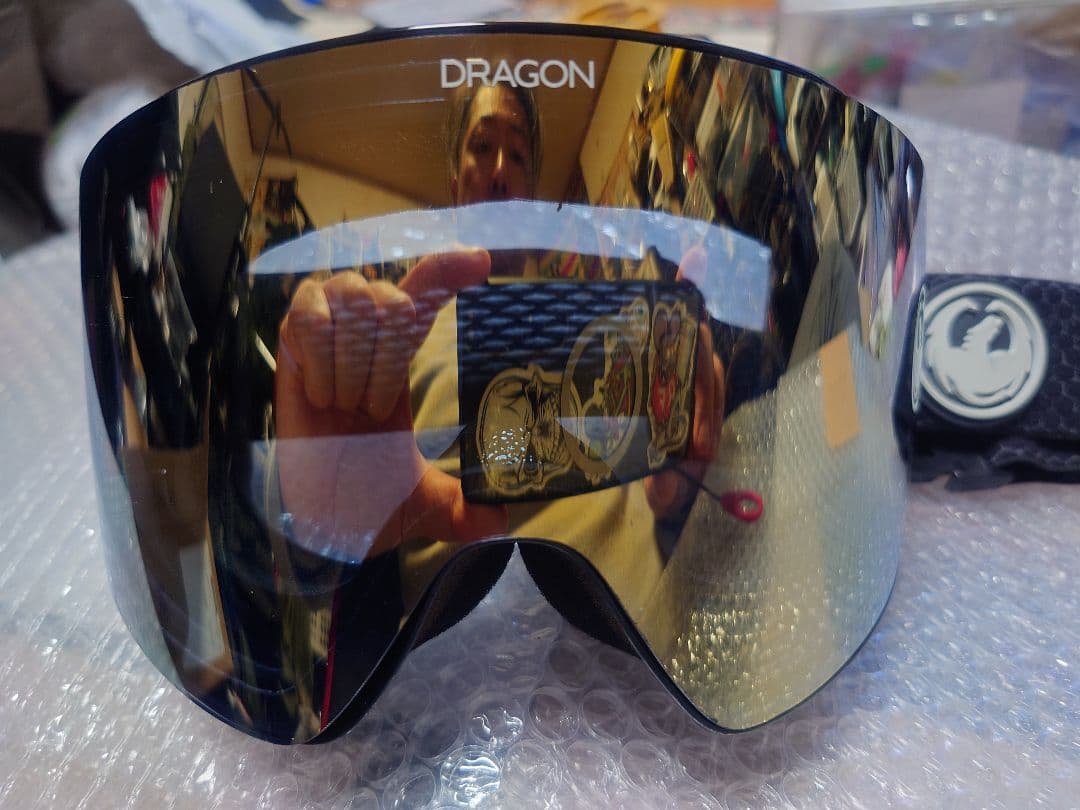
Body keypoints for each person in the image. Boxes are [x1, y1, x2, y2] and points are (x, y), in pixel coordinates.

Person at [273, 80, 725, 610]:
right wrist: (319, 535)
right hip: (464, 650)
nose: (501, 170)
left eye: (519, 155)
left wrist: (679, 486)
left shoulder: (598, 323)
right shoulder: (400, 332)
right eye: (483, 146)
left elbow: (654, 498)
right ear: (455, 188)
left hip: (656, 629)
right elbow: (319, 573)